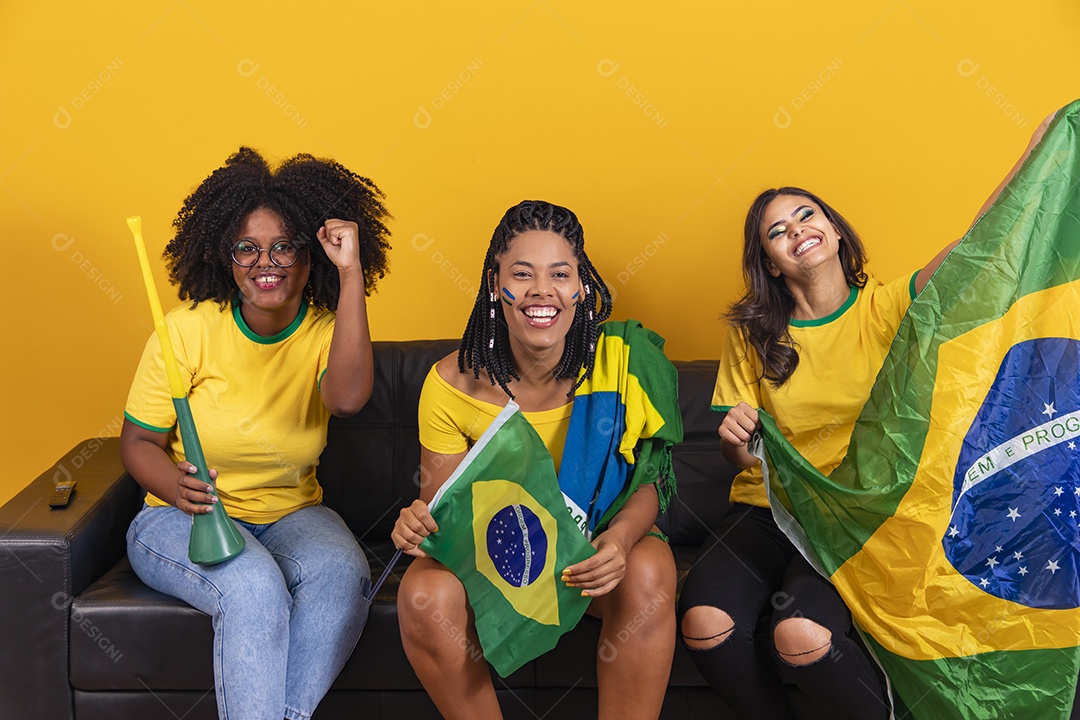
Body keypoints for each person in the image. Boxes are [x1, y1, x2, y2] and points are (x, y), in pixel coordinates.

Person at [677, 115, 1055, 720]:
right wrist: (737, 443)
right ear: (770, 262)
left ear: (832, 228)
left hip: (858, 522)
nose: (798, 230)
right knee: (704, 621)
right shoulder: (753, 337)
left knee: (800, 637)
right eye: (778, 231)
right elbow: (740, 456)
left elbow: (978, 245)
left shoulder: (892, 307)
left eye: (808, 215)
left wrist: (1035, 157)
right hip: (769, 511)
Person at [120, 147, 391, 720]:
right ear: (225, 255)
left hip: (293, 512)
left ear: (308, 253)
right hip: (180, 518)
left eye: (283, 245)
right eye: (247, 247)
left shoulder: (324, 332)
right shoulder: (186, 331)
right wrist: (176, 488)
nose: (265, 262)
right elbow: (137, 444)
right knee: (254, 589)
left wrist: (350, 273)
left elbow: (346, 399)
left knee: (344, 575)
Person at [390, 200, 682, 720]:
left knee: (650, 567)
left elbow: (649, 481)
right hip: (501, 559)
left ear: (581, 289)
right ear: (492, 286)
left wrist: (617, 539)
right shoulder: (451, 386)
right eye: (521, 274)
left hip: (589, 556)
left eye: (560, 274)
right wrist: (418, 522)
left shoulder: (623, 363)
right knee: (422, 591)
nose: (541, 291)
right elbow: (446, 513)